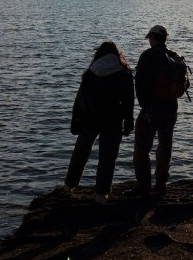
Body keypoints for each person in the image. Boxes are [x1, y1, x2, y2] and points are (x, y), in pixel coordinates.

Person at [64, 41, 135, 198]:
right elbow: (129, 100)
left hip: (90, 118)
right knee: (108, 156)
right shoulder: (124, 72)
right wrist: (129, 122)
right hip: (113, 119)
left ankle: (69, 185)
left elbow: (80, 99)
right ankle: (101, 193)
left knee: (81, 151)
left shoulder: (91, 72)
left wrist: (76, 120)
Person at [130, 24, 183, 198]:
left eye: (150, 37)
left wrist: (145, 106)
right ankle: (161, 184)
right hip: (171, 107)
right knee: (165, 146)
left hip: (152, 109)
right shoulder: (174, 56)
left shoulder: (148, 55)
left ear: (153, 37)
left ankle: (144, 186)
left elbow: (139, 83)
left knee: (142, 148)